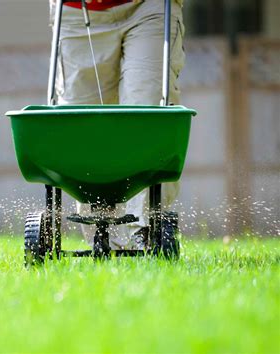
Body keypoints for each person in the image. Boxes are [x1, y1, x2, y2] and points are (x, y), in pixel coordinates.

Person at [49, 0, 185, 249]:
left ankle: (145, 230)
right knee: (83, 125)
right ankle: (103, 236)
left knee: (147, 107)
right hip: (78, 11)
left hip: (149, 8)